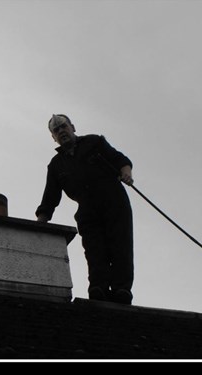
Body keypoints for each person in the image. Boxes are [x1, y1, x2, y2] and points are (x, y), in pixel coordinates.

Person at [36, 114, 135, 305]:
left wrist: (126, 172)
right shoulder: (56, 165)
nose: (61, 131)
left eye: (63, 126)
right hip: (88, 210)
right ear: (53, 137)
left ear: (72, 127)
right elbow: (50, 197)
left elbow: (120, 159)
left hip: (114, 202)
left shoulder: (94, 142)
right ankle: (98, 288)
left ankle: (122, 290)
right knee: (94, 250)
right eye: (56, 130)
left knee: (120, 246)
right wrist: (40, 222)